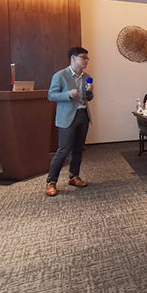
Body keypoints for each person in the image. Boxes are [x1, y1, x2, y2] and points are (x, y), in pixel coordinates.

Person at [45, 47, 94, 197]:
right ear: (73, 58)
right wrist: (68, 94)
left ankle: (74, 176)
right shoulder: (60, 75)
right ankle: (51, 181)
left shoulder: (87, 77)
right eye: (83, 57)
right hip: (67, 117)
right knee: (63, 150)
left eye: (87, 58)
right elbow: (51, 95)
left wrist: (90, 92)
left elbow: (89, 98)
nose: (86, 61)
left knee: (78, 149)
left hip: (83, 115)